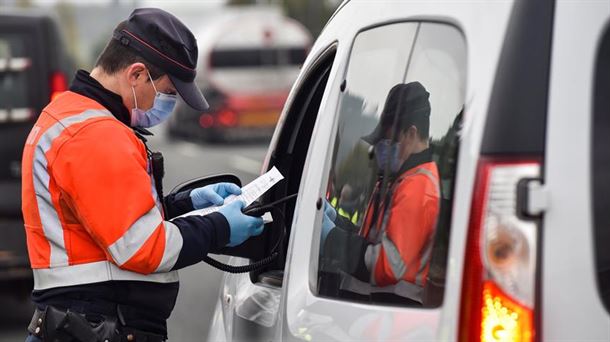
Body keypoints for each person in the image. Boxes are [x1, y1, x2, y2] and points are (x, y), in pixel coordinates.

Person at [21, 8, 264, 342]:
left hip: (82, 323)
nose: (169, 104)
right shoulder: (95, 134)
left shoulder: (72, 117)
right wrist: (220, 226)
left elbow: (106, 218)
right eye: (168, 93)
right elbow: (144, 247)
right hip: (95, 325)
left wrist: (185, 204)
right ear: (136, 75)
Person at [322, 82, 440, 304]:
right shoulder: (400, 179)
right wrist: (337, 222)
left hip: (390, 312)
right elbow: (372, 241)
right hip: (374, 308)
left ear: (411, 134)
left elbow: (388, 264)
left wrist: (332, 239)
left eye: (389, 140)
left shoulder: (418, 187)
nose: (381, 148)